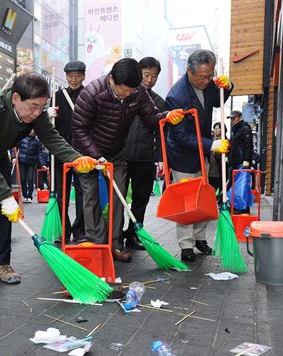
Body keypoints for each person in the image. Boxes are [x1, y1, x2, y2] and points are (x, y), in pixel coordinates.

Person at [0, 72, 98, 284]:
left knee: (4, 206)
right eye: (33, 107)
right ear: (16, 98)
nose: (37, 113)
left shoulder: (36, 112)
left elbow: (53, 139)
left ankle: (0, 262)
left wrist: (77, 158)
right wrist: (5, 196)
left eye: (42, 107)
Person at [71, 58, 184, 262]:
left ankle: (114, 245)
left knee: (118, 197)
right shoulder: (91, 92)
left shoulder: (137, 92)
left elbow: (151, 118)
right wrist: (97, 157)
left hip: (115, 153)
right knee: (91, 198)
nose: (127, 94)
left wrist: (167, 117)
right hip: (86, 155)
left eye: (131, 91)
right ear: (112, 79)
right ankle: (97, 245)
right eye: (123, 90)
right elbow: (78, 129)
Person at [165, 49, 232, 263]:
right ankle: (186, 246)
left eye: (210, 75)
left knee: (202, 198)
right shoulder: (177, 96)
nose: (206, 81)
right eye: (202, 77)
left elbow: (217, 101)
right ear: (189, 72)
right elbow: (182, 136)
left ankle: (200, 238)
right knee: (187, 203)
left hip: (202, 152)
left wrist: (227, 86)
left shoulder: (208, 84)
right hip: (183, 157)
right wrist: (213, 144)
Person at [121, 57, 165, 251]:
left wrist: (161, 159)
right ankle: (114, 236)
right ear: (138, 73)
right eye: (146, 75)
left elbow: (162, 134)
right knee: (117, 198)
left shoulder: (159, 102)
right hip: (121, 155)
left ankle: (133, 234)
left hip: (145, 157)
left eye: (154, 76)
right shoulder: (125, 94)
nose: (149, 80)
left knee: (141, 199)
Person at [48, 61, 87, 243]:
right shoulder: (57, 96)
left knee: (82, 193)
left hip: (82, 153)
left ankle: (80, 230)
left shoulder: (89, 95)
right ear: (66, 76)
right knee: (60, 192)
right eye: (70, 75)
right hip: (60, 151)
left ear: (84, 76)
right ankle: (64, 228)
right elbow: (45, 127)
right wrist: (48, 116)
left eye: (78, 75)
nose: (74, 79)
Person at [17, 130, 44, 203]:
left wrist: (43, 164)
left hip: (31, 163)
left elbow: (40, 154)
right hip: (21, 162)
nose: (33, 132)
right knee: (23, 179)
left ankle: (29, 196)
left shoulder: (37, 142)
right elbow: (15, 147)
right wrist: (14, 157)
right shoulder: (22, 138)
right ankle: (25, 195)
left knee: (30, 179)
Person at [208, 121, 224, 198]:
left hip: (219, 167)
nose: (216, 130)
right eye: (215, 129)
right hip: (211, 167)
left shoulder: (224, 141)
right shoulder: (211, 140)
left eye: (218, 128)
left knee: (217, 185)